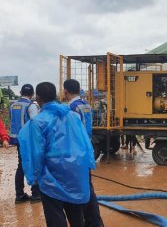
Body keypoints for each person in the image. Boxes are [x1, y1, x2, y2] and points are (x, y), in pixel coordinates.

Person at [18, 82, 96, 227]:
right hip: (75, 173)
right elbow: (86, 143)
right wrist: (89, 164)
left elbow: (36, 153)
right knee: (76, 215)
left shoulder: (38, 122)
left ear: (39, 98)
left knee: (55, 217)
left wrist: (34, 176)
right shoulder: (73, 116)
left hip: (51, 177)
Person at [63, 79, 103, 227]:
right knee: (87, 184)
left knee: (81, 186)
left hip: (77, 151)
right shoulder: (86, 105)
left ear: (66, 91)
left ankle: (91, 221)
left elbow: (71, 132)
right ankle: (94, 220)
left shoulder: (71, 108)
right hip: (88, 147)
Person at [9, 84, 40, 204]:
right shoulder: (31, 106)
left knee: (21, 165)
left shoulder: (13, 105)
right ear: (32, 94)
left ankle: (19, 194)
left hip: (17, 140)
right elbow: (36, 123)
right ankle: (36, 194)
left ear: (21, 92)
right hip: (28, 140)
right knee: (34, 163)